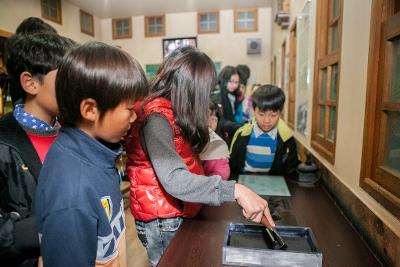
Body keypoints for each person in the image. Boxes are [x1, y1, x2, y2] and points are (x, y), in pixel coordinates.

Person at [125, 46, 274, 267]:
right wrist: (235, 190)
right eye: (206, 91)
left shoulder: (170, 113)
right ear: (190, 89)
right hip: (163, 220)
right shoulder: (156, 120)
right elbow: (174, 179)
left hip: (175, 212)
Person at [35, 42, 148, 267]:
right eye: (129, 109)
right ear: (90, 110)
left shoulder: (97, 155)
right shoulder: (72, 192)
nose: (134, 117)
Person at [0, 33, 75, 266]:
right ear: (31, 82)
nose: (77, 87)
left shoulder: (73, 132)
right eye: (67, 78)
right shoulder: (4, 143)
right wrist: (32, 229)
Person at [230, 85, 300, 177]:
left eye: (273, 115)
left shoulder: (286, 138)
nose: (267, 120)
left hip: (274, 183)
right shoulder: (242, 134)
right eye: (261, 114)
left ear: (280, 112)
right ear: (254, 110)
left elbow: (291, 168)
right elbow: (233, 164)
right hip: (245, 179)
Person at [211, 66, 243, 146]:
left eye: (236, 82)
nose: (234, 85)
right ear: (224, 79)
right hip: (220, 137)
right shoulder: (218, 96)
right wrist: (239, 126)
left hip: (229, 133)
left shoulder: (232, 94)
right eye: (231, 81)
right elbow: (220, 120)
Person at [199, 100, 230, 180]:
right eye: (204, 118)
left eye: (213, 119)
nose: (209, 123)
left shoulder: (218, 144)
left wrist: (210, 181)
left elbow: (222, 171)